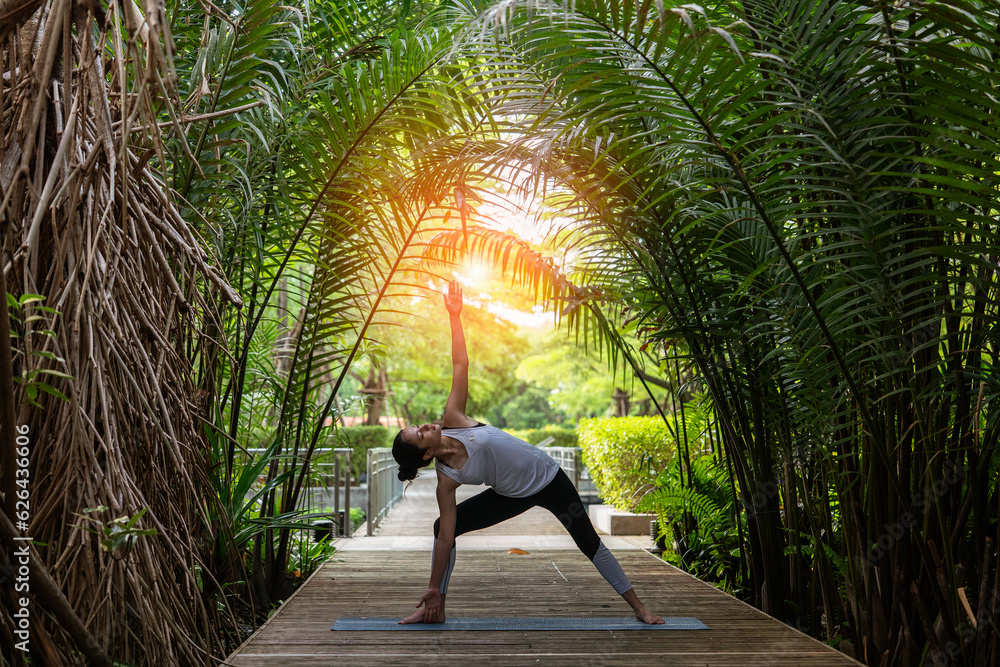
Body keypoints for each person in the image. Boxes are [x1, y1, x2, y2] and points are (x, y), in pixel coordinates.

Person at [391, 280, 664, 625]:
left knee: (587, 541)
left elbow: (461, 365)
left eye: (418, 425)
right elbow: (446, 536)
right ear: (426, 455)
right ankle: (437, 607)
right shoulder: (446, 481)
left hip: (549, 479)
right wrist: (431, 586)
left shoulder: (455, 419)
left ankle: (640, 608)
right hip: (511, 496)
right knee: (441, 527)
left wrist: (455, 316)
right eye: (418, 433)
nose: (424, 425)